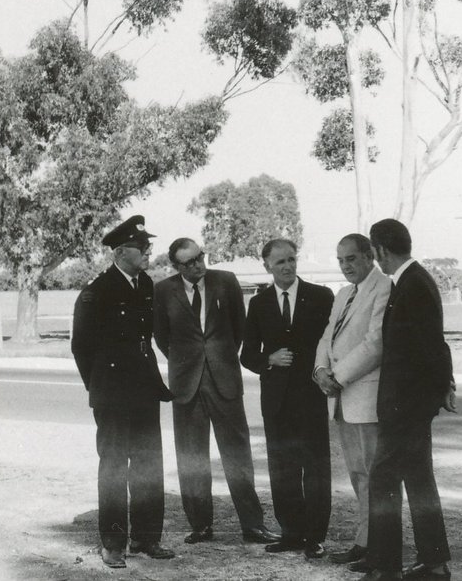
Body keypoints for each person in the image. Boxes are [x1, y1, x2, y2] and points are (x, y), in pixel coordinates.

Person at [153, 237, 280, 546]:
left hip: (224, 381)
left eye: (200, 257)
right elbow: (161, 336)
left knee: (238, 456)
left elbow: (240, 329)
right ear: (176, 267)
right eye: (189, 262)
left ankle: (253, 526)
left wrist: (218, 358)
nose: (198, 265)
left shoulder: (226, 281)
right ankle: (200, 525)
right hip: (186, 386)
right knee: (191, 457)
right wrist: (188, 363)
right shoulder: (163, 290)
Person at [71, 215, 175, 569]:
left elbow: (147, 337)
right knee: (114, 468)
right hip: (113, 394)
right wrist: (99, 385)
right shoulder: (96, 291)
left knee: (148, 465)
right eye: (141, 247)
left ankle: (147, 537)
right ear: (120, 252)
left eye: (148, 246)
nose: (148, 252)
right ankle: (113, 543)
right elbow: (81, 347)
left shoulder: (145, 284)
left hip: (145, 390)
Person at [354, 219, 455, 581]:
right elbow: (435, 345)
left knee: (383, 479)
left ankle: (385, 568)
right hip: (411, 404)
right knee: (418, 478)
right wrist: (444, 385)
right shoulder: (414, 282)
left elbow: (432, 347)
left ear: (380, 250)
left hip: (407, 407)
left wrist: (439, 389)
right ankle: (434, 563)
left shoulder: (413, 285)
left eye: (374, 251)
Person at [240, 238, 334, 560]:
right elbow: (247, 354)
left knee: (316, 470)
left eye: (291, 259)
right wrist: (269, 358)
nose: (287, 266)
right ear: (266, 266)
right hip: (276, 402)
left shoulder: (321, 297)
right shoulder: (259, 303)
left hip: (310, 398)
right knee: (283, 470)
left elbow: (331, 343)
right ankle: (291, 533)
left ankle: (315, 537)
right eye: (279, 262)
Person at [312, 234, 391, 566]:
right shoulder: (343, 293)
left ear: (369, 256)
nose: (345, 266)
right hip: (341, 398)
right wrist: (319, 369)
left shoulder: (384, 287)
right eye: (341, 260)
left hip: (365, 395)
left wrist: (338, 377)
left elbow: (376, 343)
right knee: (358, 473)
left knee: (374, 475)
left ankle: (380, 546)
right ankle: (366, 541)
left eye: (352, 259)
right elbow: (327, 335)